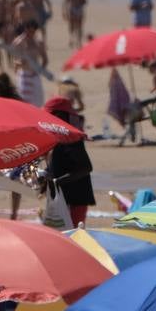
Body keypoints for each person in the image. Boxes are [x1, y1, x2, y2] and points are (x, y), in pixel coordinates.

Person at [45, 96, 94, 227]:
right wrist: (46, 174)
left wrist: (58, 181)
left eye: (51, 115)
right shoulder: (59, 135)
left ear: (61, 115)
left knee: (73, 234)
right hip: (63, 196)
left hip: (76, 197)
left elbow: (86, 167)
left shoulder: (72, 138)